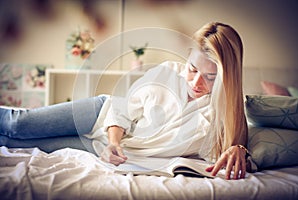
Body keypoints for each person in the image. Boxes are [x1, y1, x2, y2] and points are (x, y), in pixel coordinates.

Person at [0, 22, 248, 180]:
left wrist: (238, 148)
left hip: (106, 150)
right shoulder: (167, 72)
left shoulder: (225, 114)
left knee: (12, 141)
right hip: (102, 115)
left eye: (210, 77)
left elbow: (233, 151)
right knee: (17, 124)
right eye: (192, 69)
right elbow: (121, 107)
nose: (195, 83)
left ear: (228, 78)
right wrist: (113, 142)